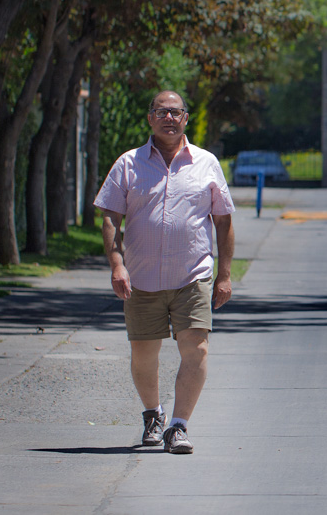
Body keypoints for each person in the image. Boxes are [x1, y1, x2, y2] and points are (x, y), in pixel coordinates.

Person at [94, 90, 235, 454]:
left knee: (196, 348)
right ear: (150, 118)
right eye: (162, 112)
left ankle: (178, 425)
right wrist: (117, 264)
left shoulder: (206, 163)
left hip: (193, 275)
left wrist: (224, 274)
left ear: (186, 118)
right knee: (143, 352)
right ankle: (152, 414)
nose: (169, 118)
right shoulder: (129, 163)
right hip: (141, 278)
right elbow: (110, 215)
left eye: (176, 112)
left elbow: (223, 220)